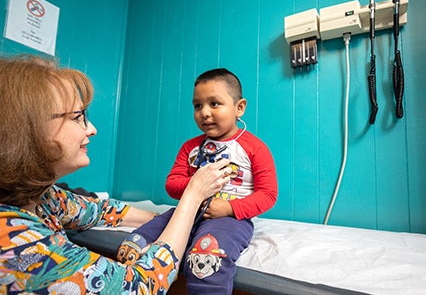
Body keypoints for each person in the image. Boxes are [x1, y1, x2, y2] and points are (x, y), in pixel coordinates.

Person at [0, 55, 231, 294]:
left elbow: (102, 210)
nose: (91, 129)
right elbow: (142, 285)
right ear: (27, 131)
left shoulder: (43, 199)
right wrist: (193, 195)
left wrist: (164, 219)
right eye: (78, 117)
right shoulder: (16, 245)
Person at [118, 68, 278, 294]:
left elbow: (268, 195)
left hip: (229, 219)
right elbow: (172, 184)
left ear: (239, 107)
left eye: (214, 104)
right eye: (197, 105)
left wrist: (229, 208)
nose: (204, 112)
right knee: (132, 245)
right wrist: (196, 185)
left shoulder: (255, 148)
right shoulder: (190, 147)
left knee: (204, 259)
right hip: (186, 212)